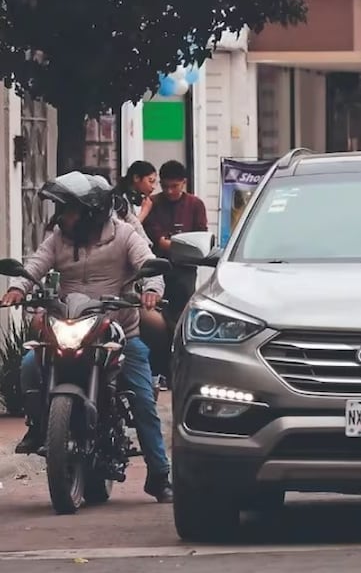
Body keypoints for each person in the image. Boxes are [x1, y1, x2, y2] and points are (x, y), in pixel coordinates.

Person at [0, 171, 173, 502]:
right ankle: (39, 426)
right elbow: (35, 266)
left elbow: (148, 263)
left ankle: (159, 474)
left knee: (141, 397)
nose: (63, 216)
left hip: (117, 328)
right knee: (27, 365)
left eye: (69, 210)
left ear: (91, 211)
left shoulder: (123, 235)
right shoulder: (59, 238)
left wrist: (151, 288)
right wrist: (17, 287)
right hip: (68, 322)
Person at [144, 161, 208, 385]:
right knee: (157, 322)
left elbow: (200, 239)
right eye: (165, 186)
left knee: (181, 321)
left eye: (174, 186)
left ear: (184, 183)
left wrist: (173, 242)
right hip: (158, 270)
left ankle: (178, 373)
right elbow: (158, 242)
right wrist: (177, 242)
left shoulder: (195, 204)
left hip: (185, 270)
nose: (170, 191)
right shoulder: (153, 203)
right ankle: (159, 371)